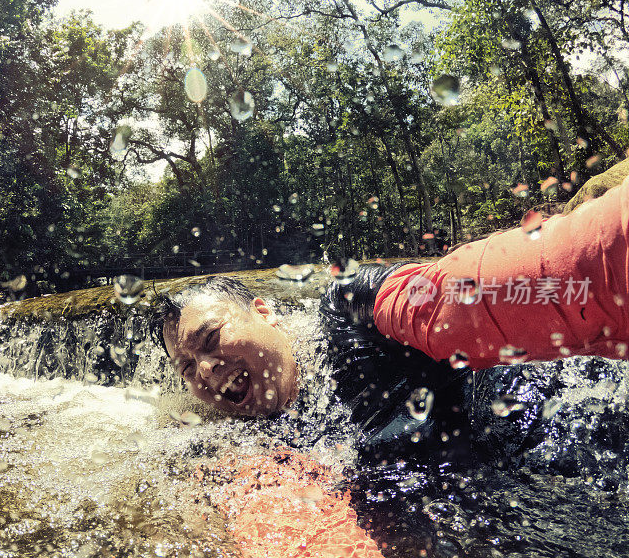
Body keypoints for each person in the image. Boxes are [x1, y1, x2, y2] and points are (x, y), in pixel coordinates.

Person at [149, 176, 629, 449]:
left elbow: (467, 295)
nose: (205, 373)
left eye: (210, 339)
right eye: (186, 367)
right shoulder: (249, 439)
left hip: (572, 424)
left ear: (264, 311)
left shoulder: (350, 309)